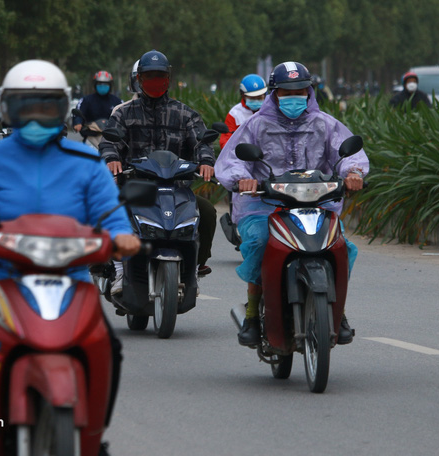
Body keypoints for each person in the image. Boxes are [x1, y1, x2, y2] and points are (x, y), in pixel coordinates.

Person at [0, 59, 140, 456]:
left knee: (108, 348)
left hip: (72, 279)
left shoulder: (86, 162)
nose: (35, 115)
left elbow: (111, 215)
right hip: (0, 276)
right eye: (25, 105)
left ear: (62, 108)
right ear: (8, 109)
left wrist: (123, 237)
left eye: (45, 106)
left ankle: (94, 440)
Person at [215, 61, 369, 347]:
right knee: (261, 242)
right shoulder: (255, 125)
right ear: (274, 94)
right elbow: (232, 159)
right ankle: (252, 315)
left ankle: (339, 313)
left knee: (342, 248)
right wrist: (242, 179)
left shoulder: (325, 123)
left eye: (299, 90)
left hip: (317, 206)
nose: (293, 96)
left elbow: (348, 153)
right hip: (265, 206)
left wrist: (354, 172)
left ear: (309, 91)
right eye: (286, 91)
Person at [99, 49, 217, 286]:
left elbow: (202, 142)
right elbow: (109, 142)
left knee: (206, 212)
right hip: (134, 187)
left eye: (160, 75)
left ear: (168, 78)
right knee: (109, 211)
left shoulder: (185, 114)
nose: (155, 80)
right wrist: (112, 158)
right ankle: (119, 268)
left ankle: (194, 265)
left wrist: (205, 161)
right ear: (139, 79)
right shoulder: (123, 113)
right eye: (150, 75)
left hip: (176, 189)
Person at [219, 74, 267, 149]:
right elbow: (226, 140)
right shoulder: (234, 113)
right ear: (243, 96)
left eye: (260, 97)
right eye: (252, 98)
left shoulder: (271, 110)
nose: (256, 100)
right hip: (242, 156)